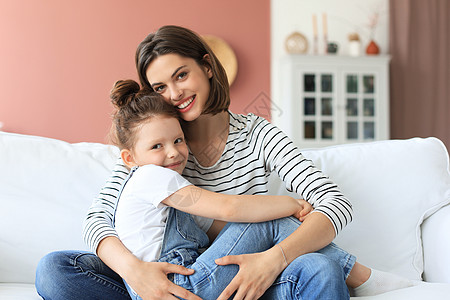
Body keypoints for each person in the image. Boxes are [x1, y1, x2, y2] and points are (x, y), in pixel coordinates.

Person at [36, 25, 416, 300]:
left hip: (244, 276)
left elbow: (336, 204)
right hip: (164, 277)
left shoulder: (257, 135)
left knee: (319, 269)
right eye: (160, 88)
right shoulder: (150, 151)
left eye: (181, 75)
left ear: (208, 67)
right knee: (54, 270)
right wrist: (138, 274)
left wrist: (273, 259)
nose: (175, 94)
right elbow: (96, 220)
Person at [110, 79, 345, 299]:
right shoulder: (152, 176)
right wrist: (291, 204)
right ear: (129, 158)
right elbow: (229, 208)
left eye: (178, 140)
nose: (172, 152)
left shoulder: (169, 195)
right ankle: (354, 271)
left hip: (182, 282)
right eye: (157, 146)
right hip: (176, 285)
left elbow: (222, 228)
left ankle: (342, 268)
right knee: (265, 222)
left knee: (316, 265)